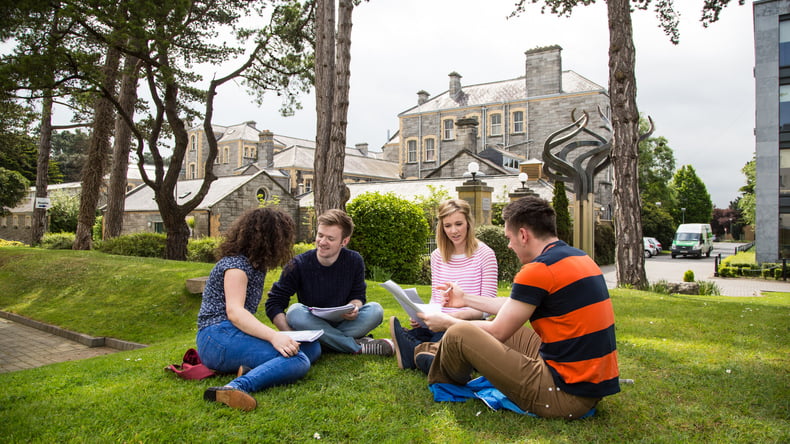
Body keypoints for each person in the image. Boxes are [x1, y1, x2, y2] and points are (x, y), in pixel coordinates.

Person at [390, 196, 620, 419]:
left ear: (523, 234)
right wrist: (466, 299)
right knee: (504, 328)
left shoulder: (537, 270)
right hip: (587, 386)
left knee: (461, 332)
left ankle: (440, 366)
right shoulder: (577, 257)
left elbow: (499, 332)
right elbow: (510, 306)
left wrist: (448, 322)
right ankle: (432, 352)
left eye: (509, 238)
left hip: (564, 395)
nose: (509, 245)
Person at [197, 207, 321, 411]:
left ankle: (248, 370)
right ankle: (233, 388)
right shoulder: (237, 267)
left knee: (311, 347)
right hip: (216, 338)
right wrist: (274, 336)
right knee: (298, 360)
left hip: (233, 333)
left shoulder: (255, 266)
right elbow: (235, 313)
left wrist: (285, 337)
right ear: (271, 239)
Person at [265, 209, 393, 356]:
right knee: (295, 312)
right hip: (310, 322)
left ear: (344, 241)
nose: (322, 242)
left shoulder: (354, 260)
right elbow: (274, 303)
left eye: (330, 239)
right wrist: (290, 336)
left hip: (344, 322)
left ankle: (323, 343)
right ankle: (356, 346)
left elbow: (358, 296)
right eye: (320, 235)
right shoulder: (298, 264)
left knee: (375, 310)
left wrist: (355, 307)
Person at [390, 199, 498, 368]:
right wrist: (424, 316)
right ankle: (424, 351)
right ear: (441, 227)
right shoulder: (437, 256)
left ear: (468, 223)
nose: (453, 231)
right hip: (440, 321)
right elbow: (436, 299)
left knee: (449, 334)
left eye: (458, 224)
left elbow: (487, 308)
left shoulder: (485, 254)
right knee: (424, 331)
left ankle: (420, 353)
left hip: (468, 323)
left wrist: (450, 318)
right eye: (447, 226)